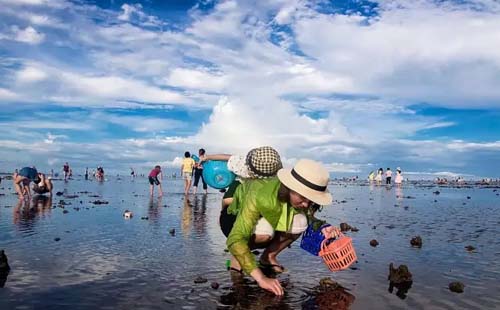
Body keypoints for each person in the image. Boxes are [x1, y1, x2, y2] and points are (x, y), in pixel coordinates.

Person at [226, 158, 334, 296]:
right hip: (234, 217)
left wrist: (323, 226)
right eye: (303, 197)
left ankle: (268, 257)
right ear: (290, 187)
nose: (306, 204)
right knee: (264, 234)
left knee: (301, 222)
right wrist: (261, 278)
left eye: (311, 200)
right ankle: (238, 258)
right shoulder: (259, 193)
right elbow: (236, 238)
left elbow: (306, 214)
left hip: (268, 212)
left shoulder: (298, 199)